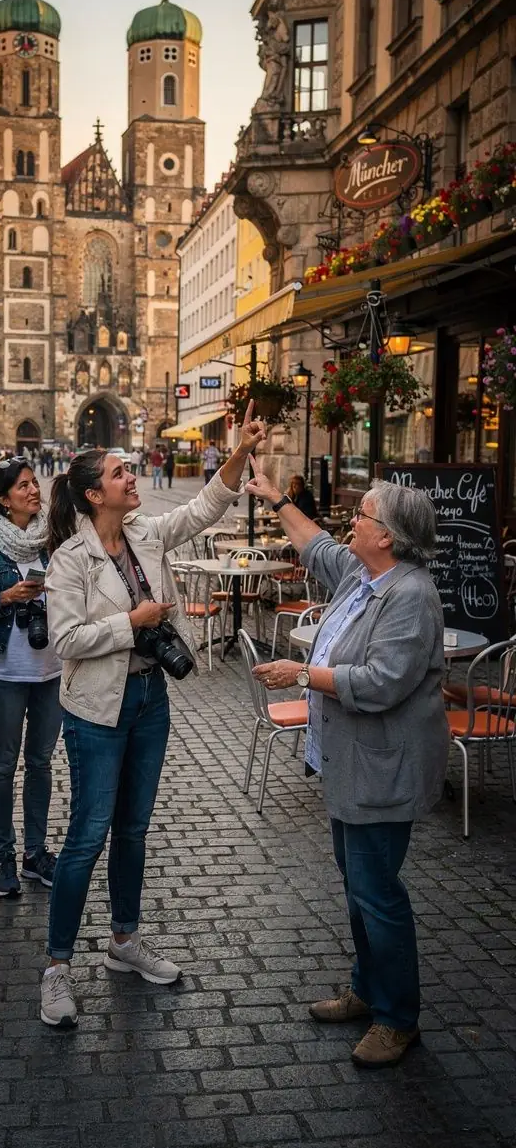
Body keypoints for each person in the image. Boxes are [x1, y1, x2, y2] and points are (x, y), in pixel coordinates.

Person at [38, 402, 268, 1028]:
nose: (131, 477)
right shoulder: (68, 561)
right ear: (93, 494)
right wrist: (129, 623)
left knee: (134, 830)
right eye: (119, 474)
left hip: (148, 699)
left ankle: (123, 942)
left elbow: (203, 510)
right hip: (95, 709)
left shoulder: (144, 533)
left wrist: (241, 450)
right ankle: (56, 968)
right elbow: (65, 642)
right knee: (87, 837)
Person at [244, 466, 449, 1069]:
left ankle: (397, 1018)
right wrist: (277, 498)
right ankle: (368, 988)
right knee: (360, 887)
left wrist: (302, 674)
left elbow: (383, 683)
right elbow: (318, 547)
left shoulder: (409, 596)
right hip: (351, 764)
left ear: (387, 535)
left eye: (362, 514)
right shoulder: (365, 576)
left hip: (383, 769)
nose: (351, 520)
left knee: (378, 892)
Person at [0, 457, 63, 898]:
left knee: (41, 763)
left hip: (51, 671)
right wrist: (4, 597)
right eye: (22, 486)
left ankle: (36, 853)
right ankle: (4, 856)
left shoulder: (54, 542)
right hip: (4, 670)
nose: (32, 490)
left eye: (33, 483)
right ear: (4, 500)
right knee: (3, 764)